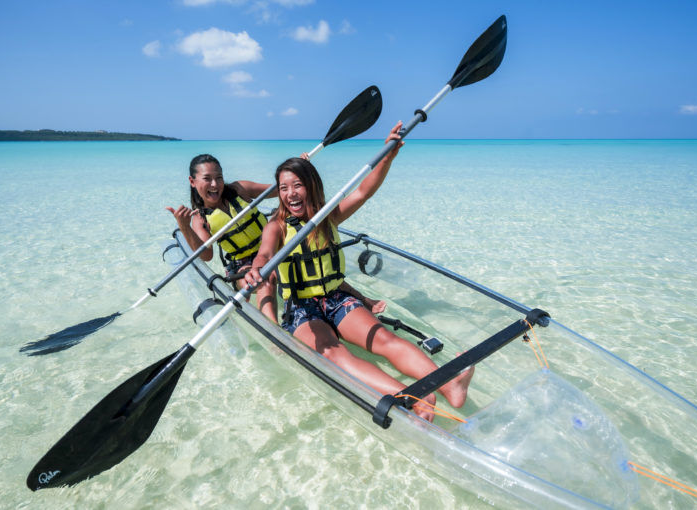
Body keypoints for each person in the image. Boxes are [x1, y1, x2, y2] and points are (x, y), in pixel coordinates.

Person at [243, 122, 474, 421]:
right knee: (334, 354)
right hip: (302, 309)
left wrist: (387, 156)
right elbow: (263, 255)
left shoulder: (328, 217)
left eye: (297, 185)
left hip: (336, 298)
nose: (290, 194)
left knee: (384, 339)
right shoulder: (275, 226)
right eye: (284, 188)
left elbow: (364, 191)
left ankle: (450, 384)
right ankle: (412, 398)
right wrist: (256, 270)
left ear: (311, 186)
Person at [166, 154, 386, 321]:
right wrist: (184, 226)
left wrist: (299, 171)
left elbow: (277, 190)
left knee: (313, 264)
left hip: (275, 246)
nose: (215, 184)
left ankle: (360, 299)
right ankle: (273, 329)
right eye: (207, 179)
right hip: (243, 265)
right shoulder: (199, 218)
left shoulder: (239, 189)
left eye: (219, 178)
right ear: (192, 181)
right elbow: (206, 255)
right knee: (266, 276)